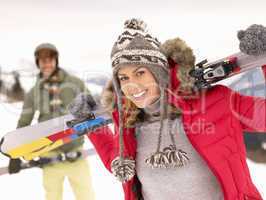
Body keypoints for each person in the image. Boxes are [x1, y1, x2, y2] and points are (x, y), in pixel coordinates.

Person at [69, 19, 266, 200]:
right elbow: (118, 160)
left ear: (159, 73)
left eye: (140, 73)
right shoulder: (129, 122)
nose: (131, 85)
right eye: (124, 77)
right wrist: (90, 123)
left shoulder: (218, 102)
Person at [8, 43, 95, 200]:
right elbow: (23, 122)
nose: (46, 64)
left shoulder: (75, 83)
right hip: (49, 157)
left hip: (76, 155)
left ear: (56, 60)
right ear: (38, 63)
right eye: (42, 61)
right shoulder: (33, 92)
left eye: (49, 60)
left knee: (86, 196)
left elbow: (92, 108)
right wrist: (15, 153)